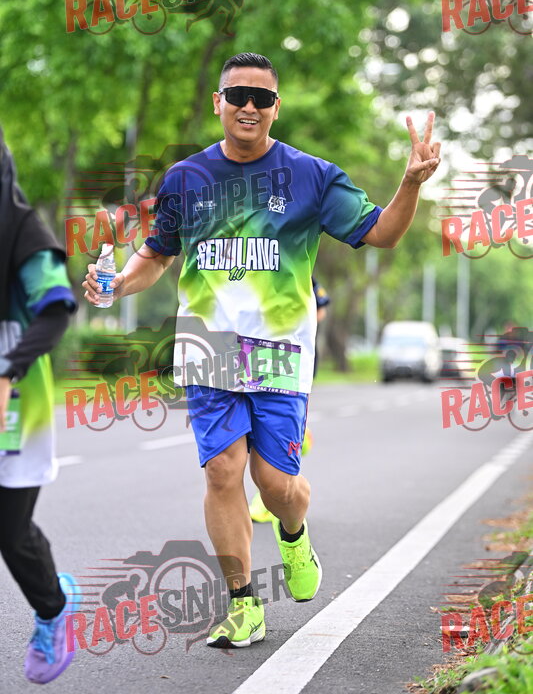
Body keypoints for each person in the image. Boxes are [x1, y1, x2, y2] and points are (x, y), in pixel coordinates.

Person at [83, 52, 441, 649]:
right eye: (238, 95)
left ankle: (294, 533)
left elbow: (383, 233)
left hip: (280, 353)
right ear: (218, 102)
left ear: (276, 107)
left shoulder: (311, 176)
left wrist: (410, 183)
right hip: (208, 348)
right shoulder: (185, 179)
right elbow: (158, 254)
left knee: (275, 485)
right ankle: (243, 604)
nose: (249, 106)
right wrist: (118, 283)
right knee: (223, 471)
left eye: (262, 98)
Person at [0, 129, 80, 683]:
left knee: (9, 530)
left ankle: (53, 608)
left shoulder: (24, 230)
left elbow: (54, 309)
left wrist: (8, 372)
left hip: (15, 393)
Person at [248, 276, 329, 523]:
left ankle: (268, 497)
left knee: (277, 440)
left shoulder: (302, 273)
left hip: (292, 358)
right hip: (246, 355)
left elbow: (321, 309)